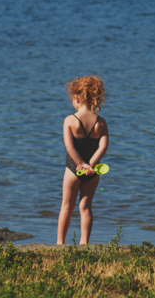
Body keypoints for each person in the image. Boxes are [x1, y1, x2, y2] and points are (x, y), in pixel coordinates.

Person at [57, 75, 109, 245]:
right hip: (93, 172)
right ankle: (84, 243)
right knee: (85, 207)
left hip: (73, 169)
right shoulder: (101, 123)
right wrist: (90, 165)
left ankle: (60, 243)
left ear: (77, 97)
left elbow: (70, 147)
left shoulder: (70, 120)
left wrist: (80, 164)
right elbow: (102, 147)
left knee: (67, 207)